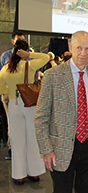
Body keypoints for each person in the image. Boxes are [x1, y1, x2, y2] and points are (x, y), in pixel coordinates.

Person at [34, 31, 88, 193]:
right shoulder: (52, 76)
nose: (83, 53)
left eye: (87, 48)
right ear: (70, 47)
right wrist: (46, 149)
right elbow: (41, 117)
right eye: (79, 48)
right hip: (61, 147)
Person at [0, 40, 49, 185]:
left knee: (17, 140)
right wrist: (29, 55)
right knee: (32, 139)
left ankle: (18, 175)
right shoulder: (29, 64)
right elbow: (46, 58)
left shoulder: (6, 68)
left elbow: (1, 88)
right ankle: (34, 173)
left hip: (14, 105)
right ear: (25, 51)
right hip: (30, 104)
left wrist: (10, 92)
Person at [0, 31, 25, 160]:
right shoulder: (6, 56)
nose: (20, 43)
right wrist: (5, 92)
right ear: (12, 41)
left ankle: (21, 149)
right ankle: (12, 149)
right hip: (10, 95)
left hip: (25, 95)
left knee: (25, 124)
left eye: (23, 40)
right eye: (18, 40)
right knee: (12, 123)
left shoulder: (28, 57)